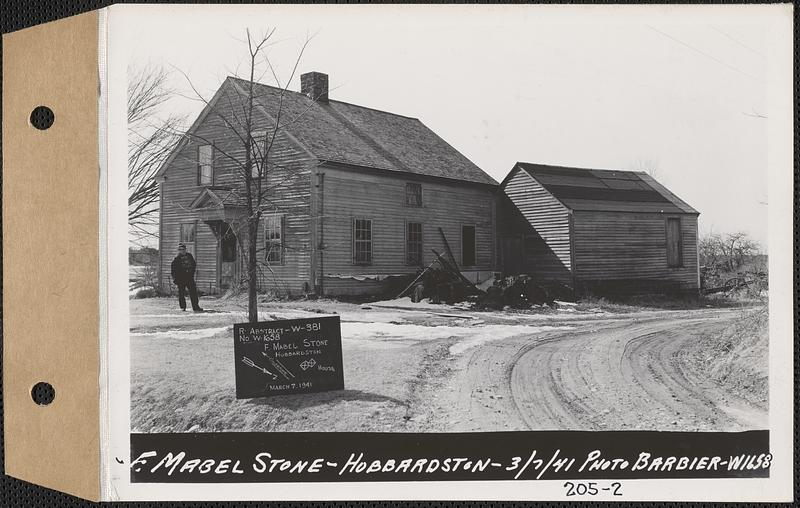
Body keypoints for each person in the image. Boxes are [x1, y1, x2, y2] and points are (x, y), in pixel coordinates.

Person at [171, 242, 203, 312]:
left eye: (183, 249)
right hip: (181, 278)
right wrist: (175, 279)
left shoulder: (189, 256)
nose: (182, 250)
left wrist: (192, 273)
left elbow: (194, 265)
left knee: (193, 292)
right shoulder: (176, 259)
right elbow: (173, 270)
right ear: (178, 250)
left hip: (189, 277)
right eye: (180, 249)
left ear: (185, 249)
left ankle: (196, 307)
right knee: (181, 293)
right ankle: (183, 307)